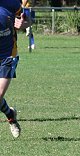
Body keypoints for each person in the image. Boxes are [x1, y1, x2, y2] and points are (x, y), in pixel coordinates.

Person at [0, 0, 32, 138]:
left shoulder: (12, 3)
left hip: (8, 55)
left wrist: (24, 24)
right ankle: (10, 115)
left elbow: (28, 20)